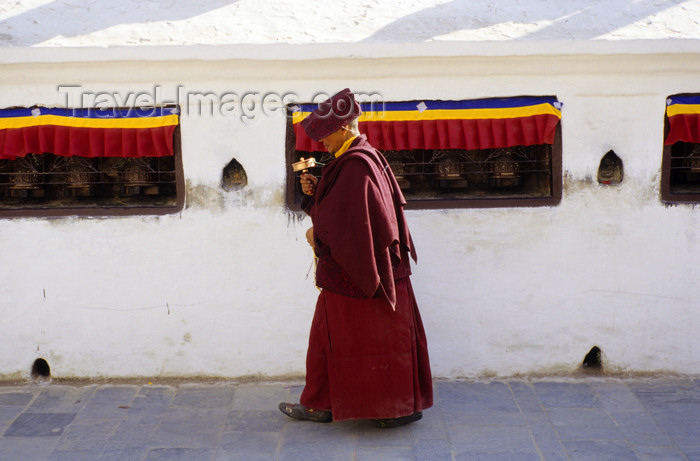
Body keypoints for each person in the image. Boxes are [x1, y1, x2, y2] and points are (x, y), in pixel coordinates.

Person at [279, 88, 433, 428]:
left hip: (363, 274)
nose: (321, 144)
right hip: (365, 270)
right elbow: (344, 213)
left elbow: (352, 227)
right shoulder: (359, 159)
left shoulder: (356, 166)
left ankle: (392, 407)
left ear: (345, 128)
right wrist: (314, 195)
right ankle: (324, 403)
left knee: (368, 339)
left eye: (324, 136)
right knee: (329, 335)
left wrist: (316, 237)